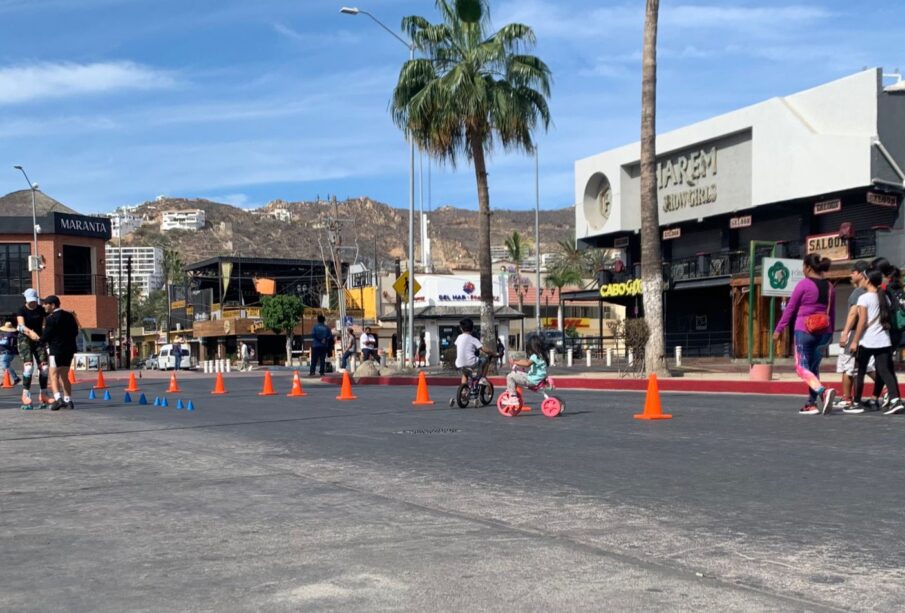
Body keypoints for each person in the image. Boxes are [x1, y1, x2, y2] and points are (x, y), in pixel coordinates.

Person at [773, 254, 836, 415]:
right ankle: (811, 403)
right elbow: (833, 313)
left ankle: (822, 392)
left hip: (804, 330)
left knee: (802, 367)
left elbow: (790, 309)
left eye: (803, 266)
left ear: (808, 267)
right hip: (824, 333)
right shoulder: (830, 287)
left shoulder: (803, 285)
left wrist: (779, 329)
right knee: (813, 368)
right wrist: (830, 334)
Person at [848, 270, 904, 415]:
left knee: (859, 371)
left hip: (867, 340)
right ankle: (895, 400)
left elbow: (862, 321)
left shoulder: (864, 298)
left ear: (867, 280)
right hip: (884, 340)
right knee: (885, 372)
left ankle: (857, 402)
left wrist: (854, 340)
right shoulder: (885, 297)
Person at [24, 295, 78, 411]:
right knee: (65, 375)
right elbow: (75, 332)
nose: (43, 306)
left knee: (53, 375)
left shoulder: (51, 318)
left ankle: (58, 399)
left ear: (53, 305)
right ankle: (68, 400)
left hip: (56, 350)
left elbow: (46, 336)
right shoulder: (69, 316)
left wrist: (36, 338)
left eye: (45, 304)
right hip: (69, 350)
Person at [836, 262, 877, 412]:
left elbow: (853, 313)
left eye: (853, 272)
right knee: (866, 365)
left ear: (861, 273)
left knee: (847, 366)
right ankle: (886, 390)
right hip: (867, 334)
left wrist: (845, 333)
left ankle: (847, 398)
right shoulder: (872, 291)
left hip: (854, 332)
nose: (851, 275)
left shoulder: (858, 293)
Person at [16, 288, 50, 410]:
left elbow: (50, 318)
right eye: (30, 301)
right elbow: (20, 326)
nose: (32, 303)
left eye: (34, 301)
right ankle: (25, 395)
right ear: (26, 300)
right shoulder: (22, 310)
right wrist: (30, 332)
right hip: (25, 339)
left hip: (38, 339)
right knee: (29, 367)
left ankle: (44, 394)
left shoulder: (41, 309)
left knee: (45, 368)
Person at [503, 334, 548, 407]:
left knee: (510, 376)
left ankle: (513, 398)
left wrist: (514, 362)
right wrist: (518, 361)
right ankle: (512, 391)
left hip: (532, 380)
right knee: (518, 374)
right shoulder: (541, 355)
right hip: (537, 379)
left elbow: (527, 363)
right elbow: (526, 361)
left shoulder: (535, 356)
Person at [453, 318, 494, 385]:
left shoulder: (458, 337)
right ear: (472, 329)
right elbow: (483, 349)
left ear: (461, 329)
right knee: (486, 360)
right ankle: (483, 378)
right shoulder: (473, 339)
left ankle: (463, 392)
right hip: (471, 363)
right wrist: (492, 353)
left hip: (459, 363)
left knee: (465, 374)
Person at [0, 320, 21, 386]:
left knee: (5, 365)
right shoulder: (13, 335)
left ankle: (15, 378)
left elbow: (6, 343)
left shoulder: (8, 335)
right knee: (5, 366)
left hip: (6, 352)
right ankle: (6, 379)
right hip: (9, 352)